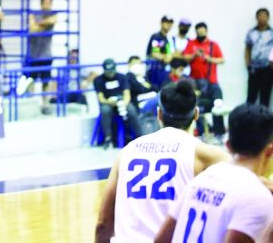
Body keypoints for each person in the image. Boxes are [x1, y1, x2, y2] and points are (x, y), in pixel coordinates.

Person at [95, 80, 231, 243]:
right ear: (196, 114)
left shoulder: (127, 151)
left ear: (159, 114)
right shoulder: (205, 154)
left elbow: (103, 223)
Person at [154, 104, 273, 243]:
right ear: (270, 151)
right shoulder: (257, 197)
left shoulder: (201, 179)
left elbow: (160, 240)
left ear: (228, 145)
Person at [182, 22, 227, 137]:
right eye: (198, 32)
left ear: (206, 31)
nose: (200, 34)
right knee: (196, 106)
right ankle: (200, 133)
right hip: (196, 82)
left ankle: (220, 133)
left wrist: (209, 59)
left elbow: (222, 60)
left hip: (211, 81)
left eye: (202, 32)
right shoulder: (191, 44)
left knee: (217, 104)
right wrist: (194, 55)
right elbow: (184, 58)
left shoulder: (213, 45)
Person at [94, 58, 141, 148]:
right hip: (108, 103)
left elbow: (127, 94)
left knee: (131, 109)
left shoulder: (122, 77)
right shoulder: (99, 80)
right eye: (108, 72)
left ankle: (138, 136)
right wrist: (109, 102)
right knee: (105, 110)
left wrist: (124, 102)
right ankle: (108, 138)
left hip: (122, 101)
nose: (110, 74)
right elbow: (100, 98)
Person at [19, 0, 57, 99]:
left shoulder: (53, 14)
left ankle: (45, 103)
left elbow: (52, 20)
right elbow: (32, 30)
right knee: (31, 80)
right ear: (41, 4)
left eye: (50, 3)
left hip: (46, 55)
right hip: (33, 55)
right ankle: (31, 100)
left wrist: (38, 24)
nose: (47, 6)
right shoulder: (34, 14)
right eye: (46, 3)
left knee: (46, 81)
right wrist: (42, 26)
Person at [245, 8, 273, 107]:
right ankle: (248, 120)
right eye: (260, 15)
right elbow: (247, 49)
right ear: (256, 17)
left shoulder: (271, 33)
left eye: (264, 16)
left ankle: (264, 121)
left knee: (265, 97)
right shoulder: (251, 33)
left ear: (268, 17)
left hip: (268, 68)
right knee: (251, 96)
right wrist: (247, 64)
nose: (262, 18)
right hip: (254, 68)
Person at [146, 16, 174, 86]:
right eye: (166, 22)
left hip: (163, 69)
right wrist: (166, 57)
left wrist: (169, 56)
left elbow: (168, 53)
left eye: (170, 23)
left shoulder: (167, 39)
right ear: (161, 23)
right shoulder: (156, 37)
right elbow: (154, 53)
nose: (168, 25)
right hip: (154, 69)